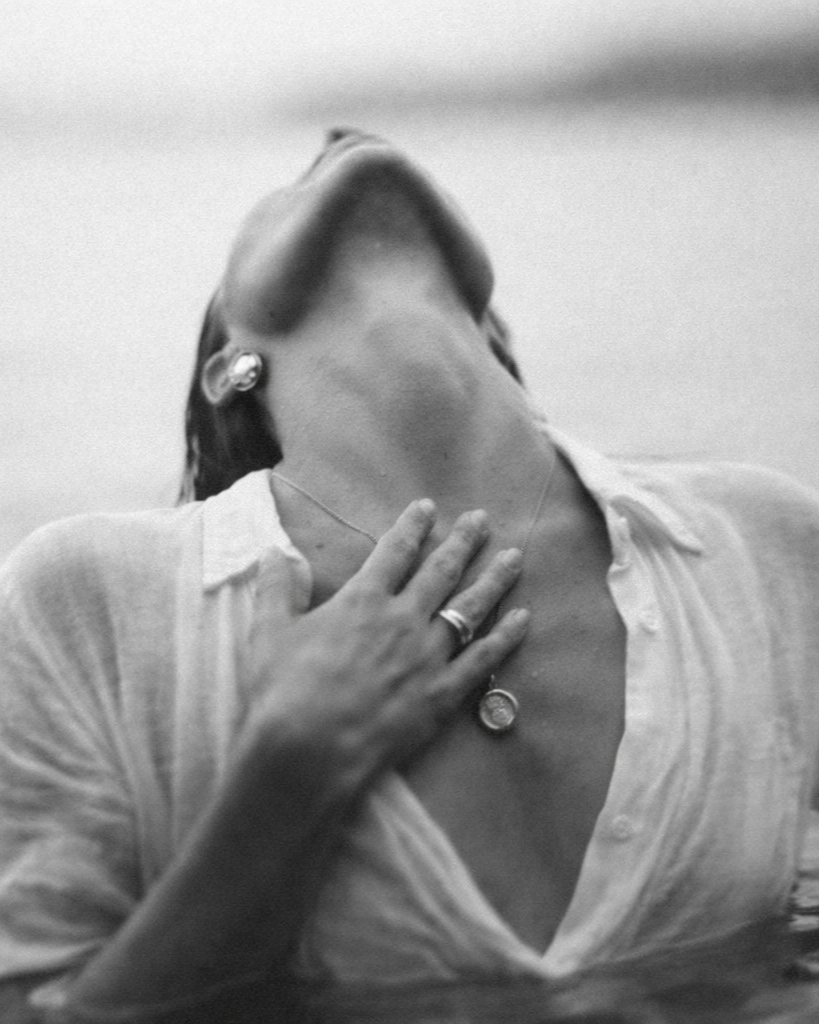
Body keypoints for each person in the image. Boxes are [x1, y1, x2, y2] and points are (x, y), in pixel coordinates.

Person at [1, 127, 819, 1022]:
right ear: (227, 370)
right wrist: (290, 772)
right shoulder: (89, 602)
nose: (343, 145)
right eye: (298, 186)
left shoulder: (767, 545)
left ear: (489, 330)